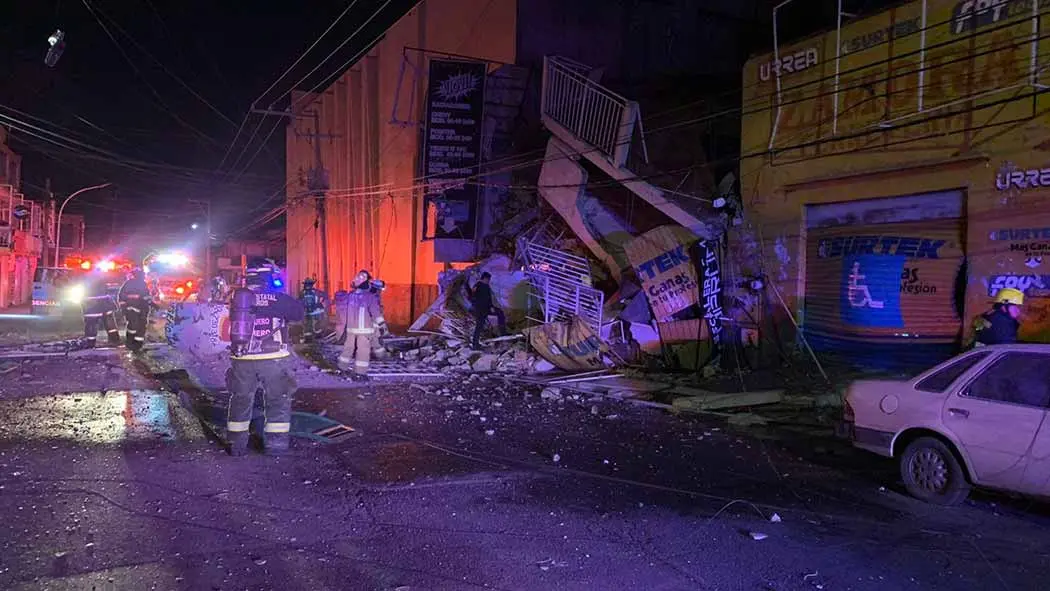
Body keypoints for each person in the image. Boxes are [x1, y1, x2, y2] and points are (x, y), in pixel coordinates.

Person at [225, 264, 305, 456]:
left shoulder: (237, 298)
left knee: (240, 398)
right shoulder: (279, 298)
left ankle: (236, 445)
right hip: (274, 358)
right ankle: (276, 446)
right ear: (268, 278)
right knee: (278, 399)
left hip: (242, 356)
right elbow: (299, 315)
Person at [338, 270, 387, 381]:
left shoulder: (350, 296)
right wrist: (382, 325)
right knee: (363, 351)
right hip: (365, 331)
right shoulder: (370, 297)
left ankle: (341, 369)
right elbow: (375, 313)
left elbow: (343, 313)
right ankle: (360, 374)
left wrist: (342, 329)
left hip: (351, 330)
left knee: (348, 349)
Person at [465, 271, 506, 350]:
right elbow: (474, 297)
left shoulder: (485, 286)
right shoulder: (479, 286)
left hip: (486, 308)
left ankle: (503, 333)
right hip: (480, 309)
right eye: (488, 279)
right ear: (485, 278)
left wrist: (491, 306)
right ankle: (475, 344)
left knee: (500, 313)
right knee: (479, 326)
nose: (488, 281)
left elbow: (488, 298)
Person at [81, 271, 120, 348]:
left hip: (91, 307)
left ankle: (90, 343)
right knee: (110, 325)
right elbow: (107, 293)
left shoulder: (86, 283)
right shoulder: (102, 282)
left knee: (92, 325)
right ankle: (115, 341)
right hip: (103, 306)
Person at [118, 267, 151, 352]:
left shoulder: (140, 283)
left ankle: (137, 345)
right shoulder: (130, 283)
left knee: (140, 327)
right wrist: (125, 307)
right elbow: (122, 297)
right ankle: (131, 343)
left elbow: (146, 296)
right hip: (133, 308)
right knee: (134, 326)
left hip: (141, 309)